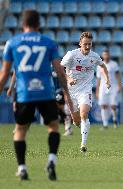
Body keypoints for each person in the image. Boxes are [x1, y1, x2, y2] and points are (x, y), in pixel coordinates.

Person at [0, 10, 74, 181]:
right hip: (46, 93)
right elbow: (60, 72)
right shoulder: (49, 42)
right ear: (39, 24)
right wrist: (67, 95)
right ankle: (51, 160)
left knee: (20, 130)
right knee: (53, 127)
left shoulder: (13, 43)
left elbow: (4, 74)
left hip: (24, 93)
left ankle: (22, 168)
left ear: (22, 24)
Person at [61, 32, 111, 152]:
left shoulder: (94, 56)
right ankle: (76, 121)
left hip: (85, 89)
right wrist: (68, 78)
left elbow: (103, 66)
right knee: (77, 121)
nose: (87, 46)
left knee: (84, 114)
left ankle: (83, 144)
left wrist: (107, 80)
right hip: (70, 91)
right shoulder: (71, 55)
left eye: (89, 44)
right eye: (85, 44)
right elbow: (59, 68)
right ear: (80, 43)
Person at [96, 49, 122, 129]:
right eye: (104, 55)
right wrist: (97, 90)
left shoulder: (114, 64)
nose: (106, 56)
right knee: (103, 105)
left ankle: (114, 119)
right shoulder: (99, 66)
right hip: (103, 87)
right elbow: (98, 79)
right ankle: (105, 124)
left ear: (109, 55)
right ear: (103, 56)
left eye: (107, 54)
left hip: (113, 86)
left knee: (113, 105)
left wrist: (119, 85)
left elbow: (117, 75)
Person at [52, 70, 73, 136]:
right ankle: (67, 124)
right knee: (58, 109)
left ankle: (68, 127)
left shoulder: (60, 66)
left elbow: (64, 79)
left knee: (62, 108)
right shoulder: (48, 66)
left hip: (60, 90)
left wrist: (65, 93)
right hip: (51, 90)